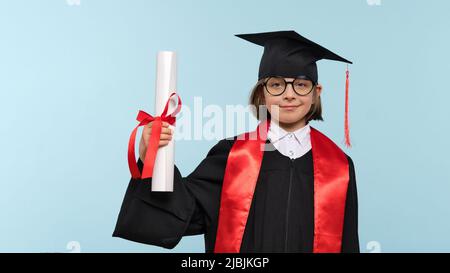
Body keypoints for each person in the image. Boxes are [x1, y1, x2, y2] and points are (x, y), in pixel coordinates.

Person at [113, 30, 359, 253]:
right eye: (276, 84)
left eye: (301, 85)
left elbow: (348, 242)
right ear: (262, 92)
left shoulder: (338, 165)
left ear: (317, 93)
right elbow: (189, 211)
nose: (289, 94)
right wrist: (152, 159)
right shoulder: (234, 155)